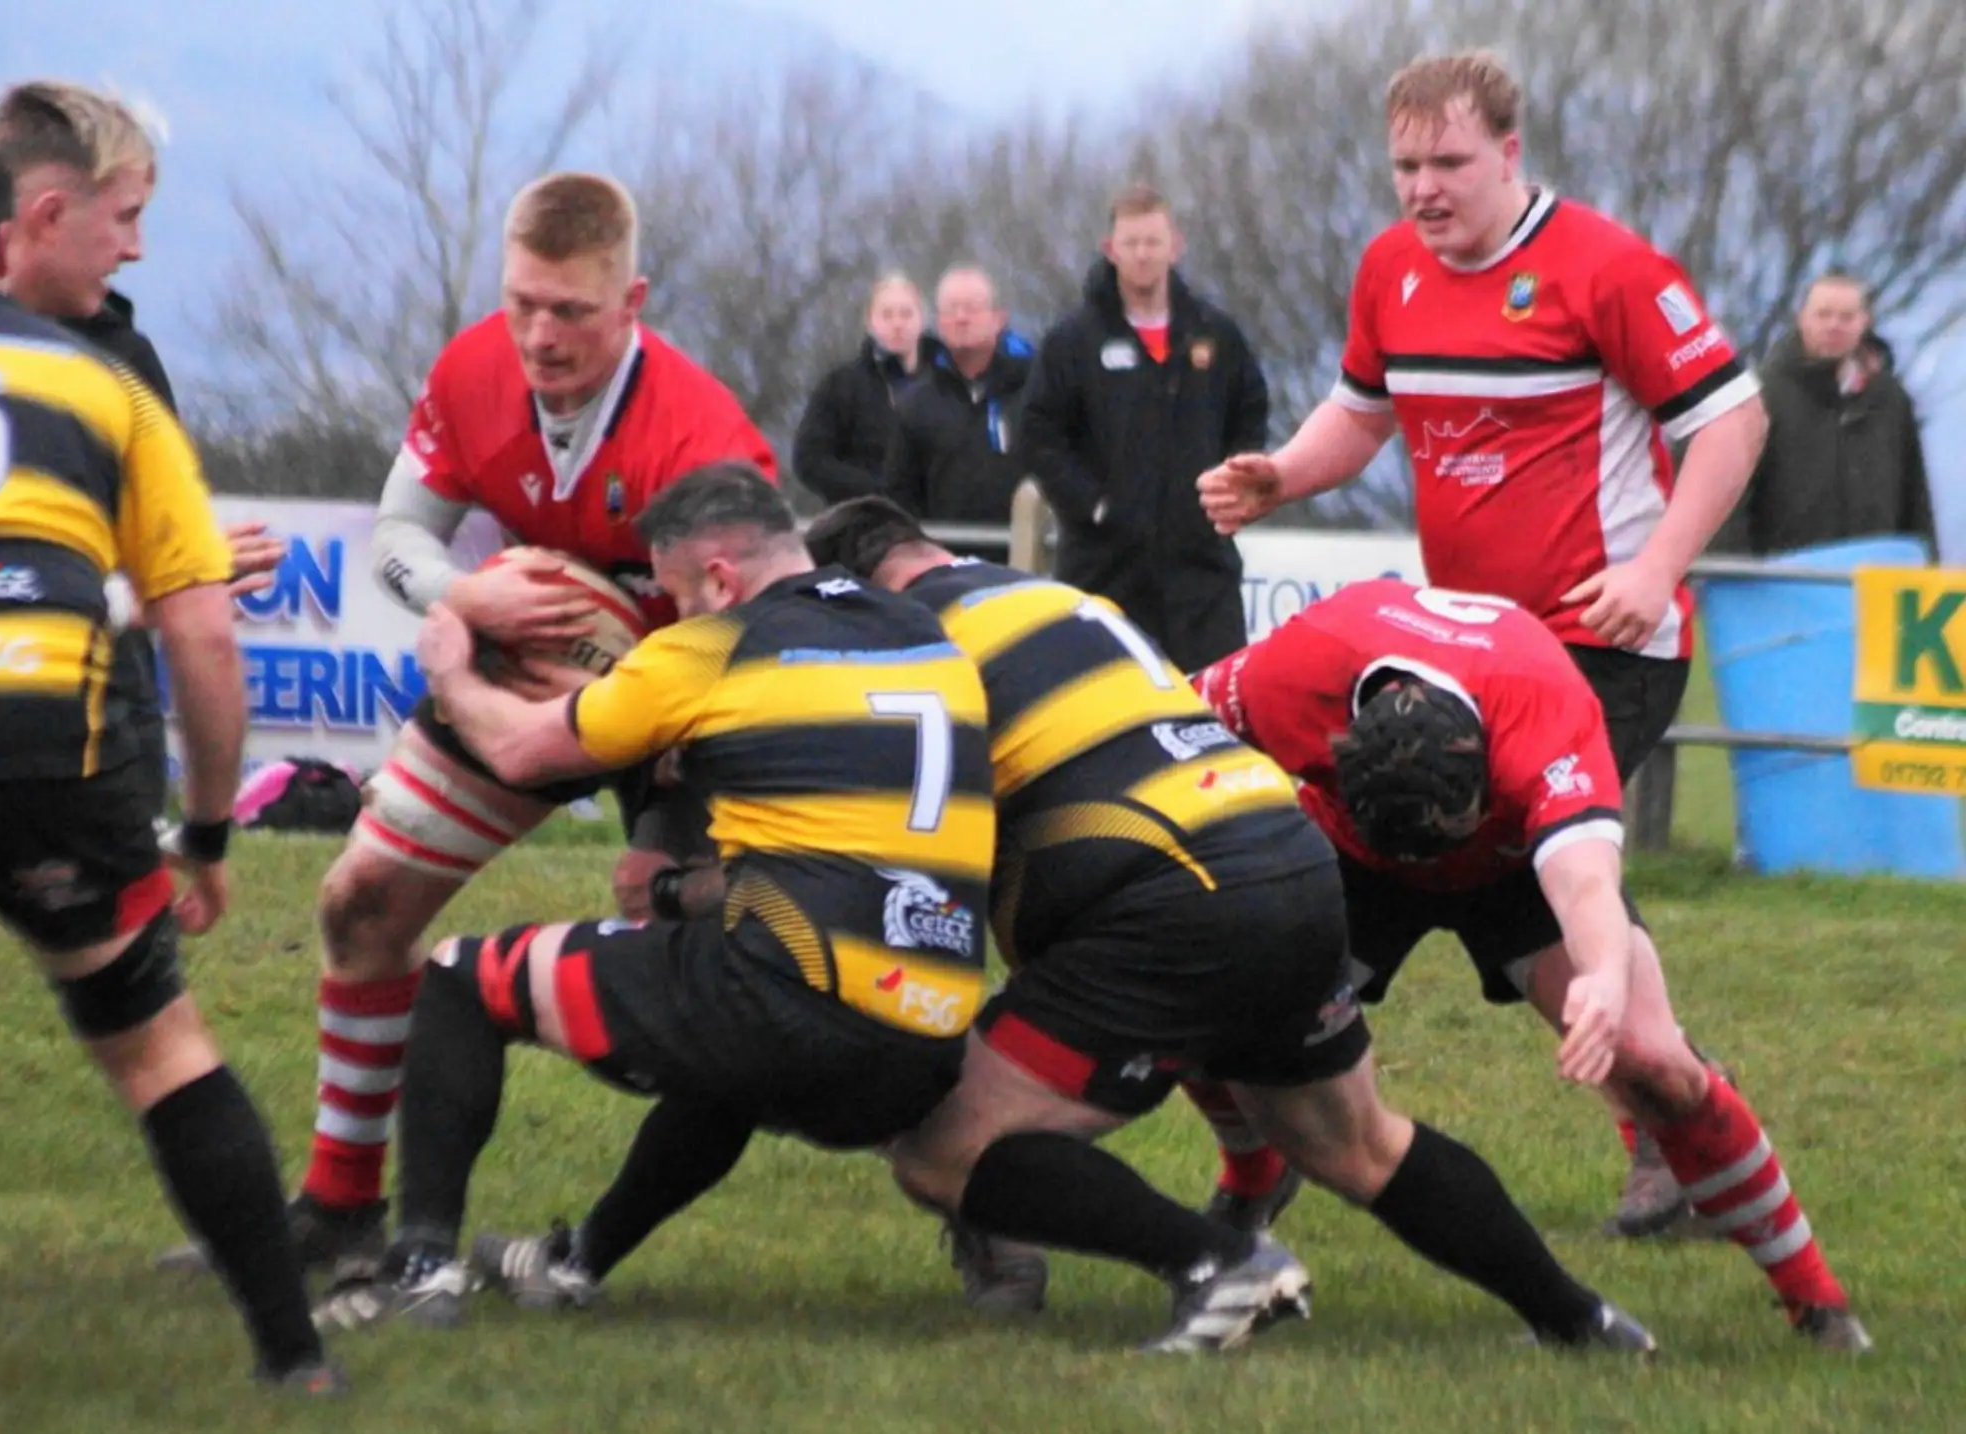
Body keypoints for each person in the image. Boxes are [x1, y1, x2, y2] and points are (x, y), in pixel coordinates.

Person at [462, 495, 1657, 1357]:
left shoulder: (904, 644)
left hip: (1167, 897)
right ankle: (1581, 1321)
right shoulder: (1054, 597)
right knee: (1354, 1144)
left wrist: (685, 893)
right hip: (1287, 862)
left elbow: (886, 867)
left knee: (940, 1147)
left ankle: (1216, 1265)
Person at [149, 170, 780, 1284]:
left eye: (571, 311)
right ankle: (341, 1206)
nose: (539, 336)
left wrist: (649, 743)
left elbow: (749, 644)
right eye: (522, 302)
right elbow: (398, 533)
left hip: (689, 709)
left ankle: (969, 1180)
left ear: (632, 301)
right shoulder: (472, 368)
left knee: (778, 971)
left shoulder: (702, 436)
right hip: (518, 673)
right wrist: (464, 593)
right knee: (359, 901)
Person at [1195, 49, 1768, 1236]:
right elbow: (1359, 415)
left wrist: (1654, 567)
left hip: (1603, 640)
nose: (1422, 188)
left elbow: (1733, 420)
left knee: (1534, 859)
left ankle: (1662, 1120)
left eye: (1447, 162)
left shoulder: (1604, 268)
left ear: (1509, 153)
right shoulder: (1388, 270)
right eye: (1403, 166)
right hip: (1470, 654)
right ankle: (1657, 1108)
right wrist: (1282, 475)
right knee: (1456, 856)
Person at [310, 467, 994, 1329]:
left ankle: (419, 1268)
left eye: (679, 597)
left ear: (720, 580)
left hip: (793, 1007)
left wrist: (452, 671)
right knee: (724, 1054)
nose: (674, 617)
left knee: (458, 978)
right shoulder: (919, 633)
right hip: (924, 1044)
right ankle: (576, 1263)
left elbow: (520, 752)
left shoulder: (712, 647)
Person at [0, 129, 339, 1393]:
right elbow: (201, 636)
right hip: (52, 740)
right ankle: (294, 1360)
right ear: (5, 238)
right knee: (158, 1047)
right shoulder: (103, 385)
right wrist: (205, 833)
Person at [1190, 578, 1871, 1353]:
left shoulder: (1541, 709)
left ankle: (1815, 1300)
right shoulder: (1294, 668)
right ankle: (1250, 1184)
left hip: (1514, 864)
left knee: (1653, 1059)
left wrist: (1604, 980)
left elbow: (1584, 883)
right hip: (1355, 860)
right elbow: (1159, 725)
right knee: (1201, 999)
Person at [0, 83, 286, 983]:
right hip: (10, 706)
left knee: (129, 978)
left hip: (75, 717)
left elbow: (169, 596)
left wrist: (163, 587)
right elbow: (183, 617)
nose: (137, 248)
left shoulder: (118, 357)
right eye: (125, 217)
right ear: (44, 216)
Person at [1022, 182, 1269, 672]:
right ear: (1110, 248)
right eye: (1131, 243)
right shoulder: (1074, 341)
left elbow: (1250, 412)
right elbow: (1038, 433)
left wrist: (1230, 487)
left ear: (1175, 245)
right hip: (1103, 570)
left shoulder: (1215, 334)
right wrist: (1092, 505)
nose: (1142, 254)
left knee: (1213, 702)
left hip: (1201, 573)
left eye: (1152, 242)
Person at [1719, 274, 1936, 558]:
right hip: (1782, 573)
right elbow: (1727, 496)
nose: (1834, 325)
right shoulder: (1761, 396)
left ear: (1864, 322)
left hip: (1874, 574)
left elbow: (1915, 497)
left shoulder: (1890, 400)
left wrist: (1927, 565)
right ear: (1802, 318)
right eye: (1823, 314)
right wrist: (1732, 570)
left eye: (1846, 317)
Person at [882, 265, 1035, 527]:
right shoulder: (916, 404)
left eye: (972, 308)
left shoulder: (1037, 392)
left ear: (999, 318)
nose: (961, 318)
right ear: (938, 322)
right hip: (945, 549)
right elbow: (900, 496)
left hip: (1024, 548)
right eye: (951, 309)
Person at [793, 272, 940, 507]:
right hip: (861, 519)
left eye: (906, 313)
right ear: (870, 322)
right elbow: (809, 459)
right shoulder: (841, 386)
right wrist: (873, 491)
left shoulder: (948, 385)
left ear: (922, 319)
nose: (897, 324)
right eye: (887, 315)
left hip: (938, 521)